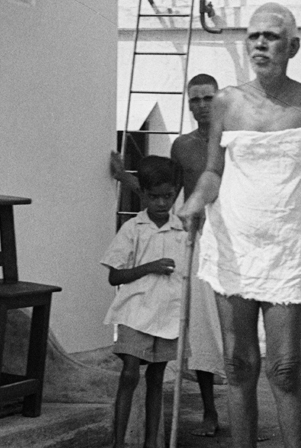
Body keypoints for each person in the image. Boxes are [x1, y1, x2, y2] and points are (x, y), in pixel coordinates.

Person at [178, 3, 301, 448]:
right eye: (254, 35)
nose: (260, 43)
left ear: (292, 46)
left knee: (284, 369)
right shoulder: (227, 101)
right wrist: (197, 201)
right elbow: (213, 170)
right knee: (238, 366)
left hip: (285, 252)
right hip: (232, 247)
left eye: (272, 36)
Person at [112, 73, 228, 438]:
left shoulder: (235, 139)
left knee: (224, 330)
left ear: (219, 99)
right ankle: (200, 410)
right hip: (192, 239)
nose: (201, 106)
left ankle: (224, 411)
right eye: (194, 99)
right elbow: (162, 192)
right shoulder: (182, 146)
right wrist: (124, 179)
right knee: (193, 324)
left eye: (207, 98)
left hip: (230, 240)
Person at [101, 155, 187, 448]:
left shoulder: (183, 230)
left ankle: (152, 442)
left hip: (167, 315)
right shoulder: (133, 229)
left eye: (168, 196)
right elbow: (114, 277)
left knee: (156, 377)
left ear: (175, 192)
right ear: (144, 194)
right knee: (129, 373)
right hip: (135, 311)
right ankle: (118, 442)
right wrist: (151, 266)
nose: (162, 203)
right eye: (154, 197)